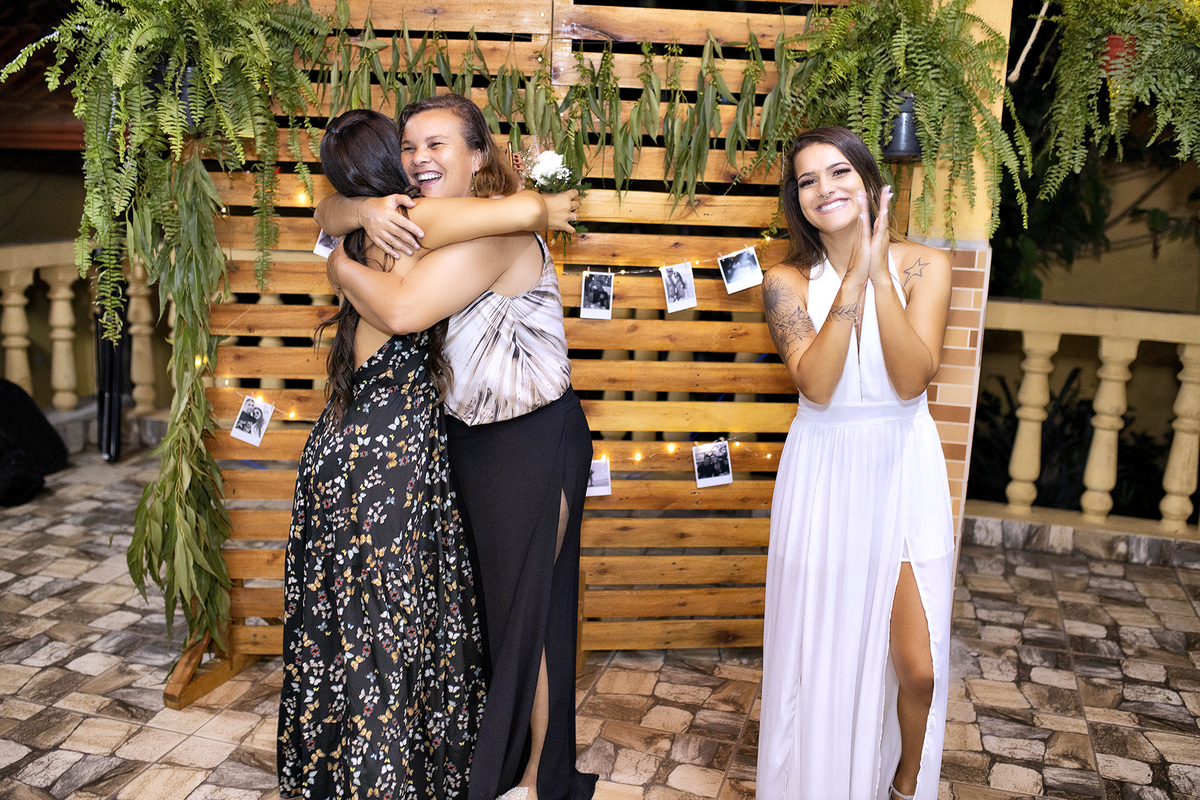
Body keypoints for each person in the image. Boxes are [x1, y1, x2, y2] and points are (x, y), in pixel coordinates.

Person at [278, 108, 580, 800]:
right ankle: (491, 766)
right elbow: (329, 212)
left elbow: (403, 309)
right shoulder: (412, 223)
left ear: (477, 156)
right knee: (479, 617)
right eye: (409, 144)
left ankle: (539, 782)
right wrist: (354, 213)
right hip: (457, 444)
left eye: (436, 143)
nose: (419, 156)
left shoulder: (491, 229)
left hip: (528, 439)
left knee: (527, 617)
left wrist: (339, 255)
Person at [757, 126, 954, 800]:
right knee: (823, 659)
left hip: (903, 469)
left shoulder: (927, 266)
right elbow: (816, 384)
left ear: (870, 183)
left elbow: (911, 379)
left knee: (919, 667)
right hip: (823, 475)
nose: (825, 188)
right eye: (807, 180)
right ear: (797, 200)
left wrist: (879, 272)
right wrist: (852, 279)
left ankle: (903, 783)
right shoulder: (784, 282)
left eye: (839, 172)